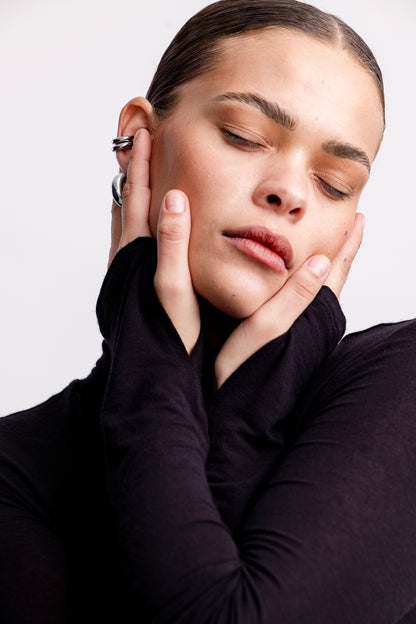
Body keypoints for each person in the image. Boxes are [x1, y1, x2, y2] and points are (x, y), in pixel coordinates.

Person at [0, 0, 415, 622]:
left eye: (335, 183)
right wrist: (174, 377)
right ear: (137, 139)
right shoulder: (17, 470)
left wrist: (216, 401)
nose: (290, 193)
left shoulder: (399, 380)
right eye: (244, 136)